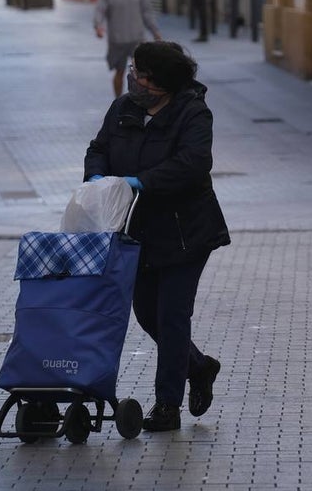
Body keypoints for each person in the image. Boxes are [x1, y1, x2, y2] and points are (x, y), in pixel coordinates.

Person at [84, 41, 230, 432]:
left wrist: (140, 182)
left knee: (172, 316)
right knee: (148, 314)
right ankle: (198, 367)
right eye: (134, 71)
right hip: (136, 231)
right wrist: (97, 176)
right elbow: (98, 148)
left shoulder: (192, 114)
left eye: (142, 74)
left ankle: (167, 406)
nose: (135, 79)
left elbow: (193, 163)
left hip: (186, 231)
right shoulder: (123, 109)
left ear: (163, 83)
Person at [94, 0, 163, 97]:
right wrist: (98, 26)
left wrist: (155, 31)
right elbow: (99, 11)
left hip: (137, 39)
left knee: (142, 73)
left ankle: (140, 100)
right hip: (117, 40)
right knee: (119, 71)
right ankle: (117, 100)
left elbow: (147, 12)